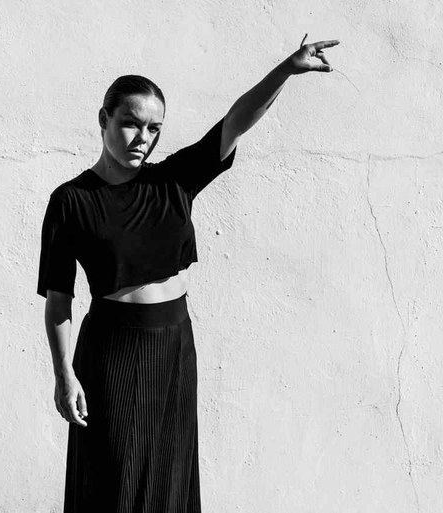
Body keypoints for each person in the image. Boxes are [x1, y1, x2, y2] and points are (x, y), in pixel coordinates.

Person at [38, 34, 339, 513]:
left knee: (170, 476)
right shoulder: (71, 201)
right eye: (130, 123)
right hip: (112, 353)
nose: (143, 138)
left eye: (154, 128)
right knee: (114, 479)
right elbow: (58, 300)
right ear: (103, 120)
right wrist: (64, 374)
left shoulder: (174, 180)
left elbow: (237, 121)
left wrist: (286, 69)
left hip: (175, 347)